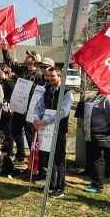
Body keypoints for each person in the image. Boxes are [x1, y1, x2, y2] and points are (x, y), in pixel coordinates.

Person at [33, 67, 72, 198]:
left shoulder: (67, 93)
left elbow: (64, 112)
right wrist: (37, 118)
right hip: (46, 130)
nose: (49, 78)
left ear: (60, 76)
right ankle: (50, 184)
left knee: (59, 159)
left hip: (59, 129)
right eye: (48, 76)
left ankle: (60, 188)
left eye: (53, 76)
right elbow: (38, 106)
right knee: (48, 158)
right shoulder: (47, 91)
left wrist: (47, 120)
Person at [83, 92, 110, 193]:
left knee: (98, 159)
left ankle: (98, 185)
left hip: (102, 132)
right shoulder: (96, 96)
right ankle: (94, 181)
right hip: (91, 131)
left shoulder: (108, 98)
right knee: (92, 158)